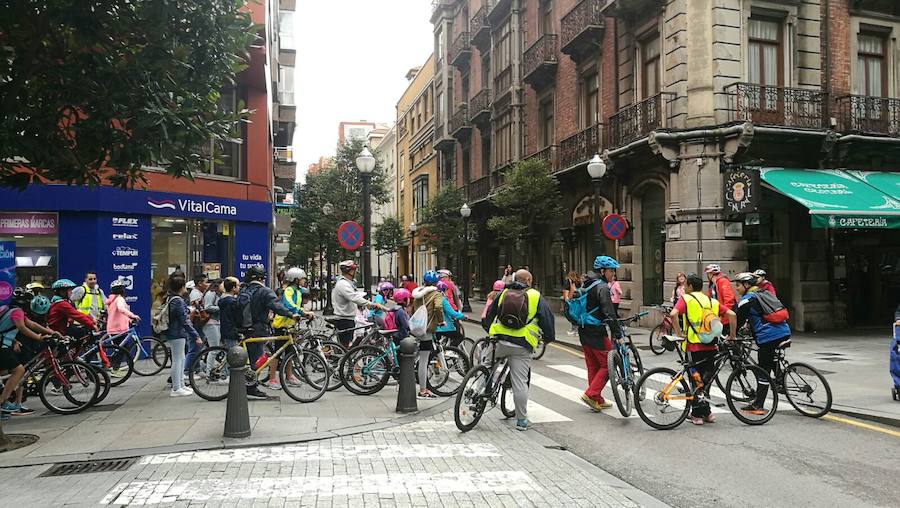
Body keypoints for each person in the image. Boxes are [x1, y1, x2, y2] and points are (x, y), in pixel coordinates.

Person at [483, 269, 555, 431]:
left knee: (486, 366)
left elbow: (490, 313)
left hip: (499, 340)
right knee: (519, 383)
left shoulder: (504, 292)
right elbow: (547, 320)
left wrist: (489, 330)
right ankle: (521, 420)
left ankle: (480, 392)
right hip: (522, 345)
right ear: (529, 280)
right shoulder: (535, 296)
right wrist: (548, 338)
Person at [669, 272, 737, 425]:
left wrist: (679, 334)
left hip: (694, 347)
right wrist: (732, 335)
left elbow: (673, 314)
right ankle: (707, 413)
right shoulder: (711, 301)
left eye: (686, 285)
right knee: (707, 380)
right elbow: (732, 314)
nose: (684, 287)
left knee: (696, 381)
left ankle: (697, 415)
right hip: (711, 346)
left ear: (690, 286)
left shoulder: (686, 299)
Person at [240, 265, 310, 398]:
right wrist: (291, 315)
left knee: (252, 356)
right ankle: (251, 386)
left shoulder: (245, 289)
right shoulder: (265, 291)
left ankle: (250, 381)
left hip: (244, 326)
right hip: (258, 328)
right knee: (258, 359)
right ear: (262, 278)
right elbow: (277, 306)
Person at [732, 272, 790, 416]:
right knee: (770, 360)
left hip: (768, 337)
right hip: (784, 331)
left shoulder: (746, 300)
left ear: (746, 285)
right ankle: (780, 380)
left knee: (762, 370)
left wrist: (731, 336)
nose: (736, 288)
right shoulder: (764, 293)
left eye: (738, 285)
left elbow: (737, 321)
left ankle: (758, 404)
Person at [0, 292, 58, 419]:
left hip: (5, 346)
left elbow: (32, 324)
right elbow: (22, 327)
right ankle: (2, 402)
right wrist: (38, 337)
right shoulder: (17, 312)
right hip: (3, 347)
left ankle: (3, 409)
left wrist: (52, 332)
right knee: (19, 370)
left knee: (6, 373)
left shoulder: (12, 310)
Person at [576, 256, 623, 413]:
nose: (613, 274)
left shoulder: (587, 283)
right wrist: (618, 333)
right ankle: (591, 393)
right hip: (596, 331)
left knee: (593, 365)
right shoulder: (602, 287)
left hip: (583, 329)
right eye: (611, 271)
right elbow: (609, 312)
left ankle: (596, 399)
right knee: (610, 362)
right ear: (602, 271)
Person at [267, 267, 308, 390]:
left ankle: (289, 377)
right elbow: (288, 304)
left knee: (291, 352)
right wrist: (300, 311)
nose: (304, 281)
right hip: (281, 325)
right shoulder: (289, 290)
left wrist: (304, 313)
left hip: (290, 325)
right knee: (277, 353)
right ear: (295, 279)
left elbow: (297, 306)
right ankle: (272, 379)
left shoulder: (299, 291)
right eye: (302, 279)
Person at [160, 276, 200, 397]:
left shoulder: (170, 298)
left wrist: (187, 310)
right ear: (181, 287)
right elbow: (184, 320)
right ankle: (176, 387)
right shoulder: (177, 300)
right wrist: (195, 335)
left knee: (180, 359)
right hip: (177, 332)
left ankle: (180, 385)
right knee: (178, 360)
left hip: (174, 332)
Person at [330, 260, 384, 348]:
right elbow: (354, 297)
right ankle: (342, 360)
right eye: (354, 270)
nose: (355, 272)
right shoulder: (343, 284)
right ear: (350, 271)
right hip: (344, 319)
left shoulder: (347, 283)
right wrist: (371, 304)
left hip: (348, 318)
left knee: (353, 341)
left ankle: (346, 358)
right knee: (345, 346)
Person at [411, 271, 448, 400]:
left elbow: (413, 309)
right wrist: (441, 321)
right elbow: (438, 307)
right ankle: (423, 390)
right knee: (424, 360)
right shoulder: (436, 294)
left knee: (414, 356)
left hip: (417, 327)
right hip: (427, 329)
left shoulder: (418, 294)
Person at [434, 279, 466, 350]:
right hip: (444, 327)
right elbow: (451, 312)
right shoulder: (442, 299)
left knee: (436, 346)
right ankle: (451, 350)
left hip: (434, 327)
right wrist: (462, 316)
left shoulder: (433, 298)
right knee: (459, 337)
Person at [705, 264, 736, 335]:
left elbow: (728, 299)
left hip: (725, 318)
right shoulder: (712, 284)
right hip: (717, 316)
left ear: (710, 274)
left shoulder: (723, 281)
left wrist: (723, 316)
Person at [218, 277, 242, 349]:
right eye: (238, 285)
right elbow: (237, 317)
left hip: (225, 330)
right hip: (232, 331)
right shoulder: (232, 302)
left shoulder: (223, 300)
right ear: (233, 288)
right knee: (233, 354)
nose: (239, 287)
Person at [562, 271, 581, 336]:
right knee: (576, 314)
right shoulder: (579, 282)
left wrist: (566, 298)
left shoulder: (568, 281)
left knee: (570, 314)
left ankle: (574, 330)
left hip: (571, 300)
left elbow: (566, 290)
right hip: (578, 300)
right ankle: (576, 329)